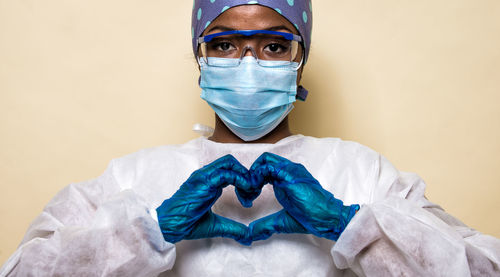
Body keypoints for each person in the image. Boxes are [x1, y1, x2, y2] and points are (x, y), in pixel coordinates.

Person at [1, 1, 500, 276]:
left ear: (299, 60)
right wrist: (148, 230)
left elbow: (482, 268)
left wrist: (351, 224)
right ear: (199, 58)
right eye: (223, 44)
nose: (247, 63)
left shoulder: (360, 171)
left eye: (274, 45)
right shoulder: (134, 176)